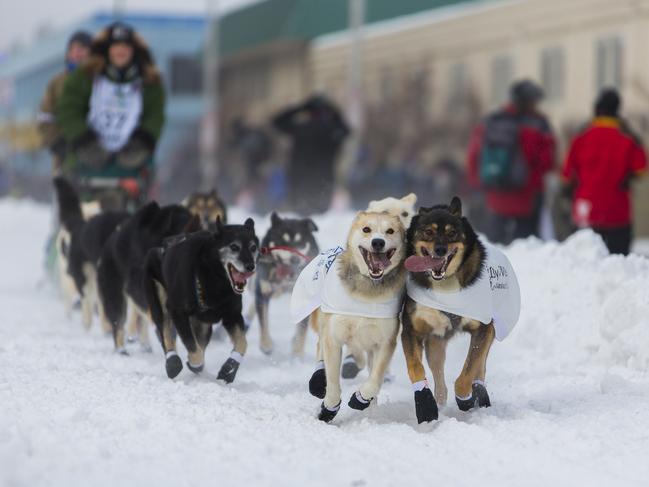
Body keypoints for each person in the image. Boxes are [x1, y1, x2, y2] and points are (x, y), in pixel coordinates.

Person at [57, 22, 165, 206]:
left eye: (125, 47)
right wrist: (84, 141)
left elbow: (155, 117)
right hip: (88, 159)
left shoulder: (149, 82)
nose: (120, 51)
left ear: (134, 51)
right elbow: (69, 109)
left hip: (131, 162)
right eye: (116, 46)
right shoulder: (86, 77)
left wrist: (141, 144)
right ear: (108, 50)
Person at [467, 80, 556, 244]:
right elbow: (548, 161)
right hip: (527, 197)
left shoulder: (491, 122)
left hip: (495, 196)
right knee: (526, 247)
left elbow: (474, 156)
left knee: (492, 248)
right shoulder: (538, 125)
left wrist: (478, 185)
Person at [560, 89, 647, 255]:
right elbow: (642, 169)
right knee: (618, 263)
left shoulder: (581, 138)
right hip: (617, 212)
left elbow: (566, 175)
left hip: (586, 210)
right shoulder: (627, 139)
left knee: (582, 261)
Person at [272, 95, 349, 214]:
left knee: (301, 214)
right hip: (321, 178)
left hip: (302, 178)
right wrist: (333, 110)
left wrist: (301, 108)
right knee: (321, 217)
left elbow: (277, 121)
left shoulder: (301, 128)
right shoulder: (330, 129)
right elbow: (345, 130)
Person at [37, 31, 92, 174]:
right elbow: (45, 117)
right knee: (66, 192)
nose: (77, 53)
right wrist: (57, 144)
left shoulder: (101, 81)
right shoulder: (57, 83)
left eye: (82, 49)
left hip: (96, 154)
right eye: (73, 49)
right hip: (64, 154)